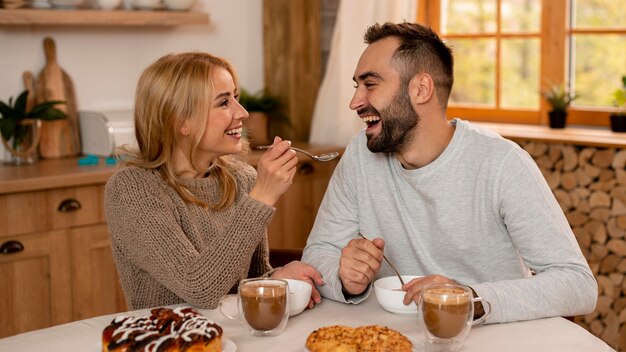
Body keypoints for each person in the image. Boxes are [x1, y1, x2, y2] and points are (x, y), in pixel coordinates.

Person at [301, 22, 597, 324]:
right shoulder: (359, 156)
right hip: (391, 337)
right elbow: (318, 251)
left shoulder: (501, 163)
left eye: (371, 84)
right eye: (356, 86)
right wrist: (344, 275)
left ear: (421, 89)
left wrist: (469, 299)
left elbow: (577, 284)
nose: (355, 102)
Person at [105, 52, 324, 310]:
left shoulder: (242, 178)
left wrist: (277, 278)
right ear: (182, 121)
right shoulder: (133, 190)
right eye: (223, 103)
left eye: (236, 98)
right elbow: (200, 290)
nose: (242, 113)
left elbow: (248, 281)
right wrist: (262, 197)